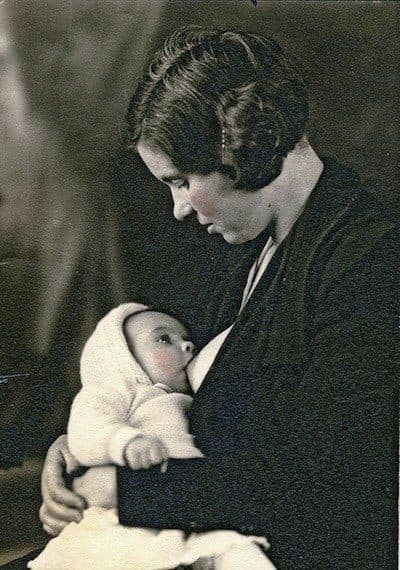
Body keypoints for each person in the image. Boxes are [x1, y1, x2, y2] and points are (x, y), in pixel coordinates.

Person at [39, 27, 397, 568]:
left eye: (182, 181)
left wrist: (125, 491)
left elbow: (330, 484)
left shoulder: (364, 257)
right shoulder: (249, 248)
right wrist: (80, 452)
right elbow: (190, 406)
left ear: (239, 149)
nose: (180, 208)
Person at [30, 302, 272, 569]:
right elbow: (87, 426)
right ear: (123, 357)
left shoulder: (182, 400)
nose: (188, 346)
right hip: (120, 517)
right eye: (164, 339)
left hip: (177, 506)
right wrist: (125, 442)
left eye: (187, 340)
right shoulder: (119, 390)